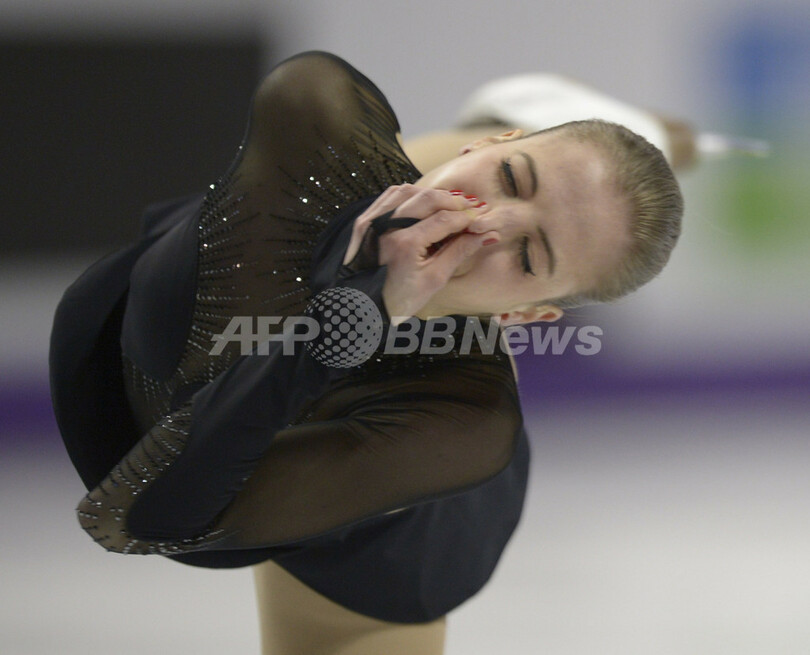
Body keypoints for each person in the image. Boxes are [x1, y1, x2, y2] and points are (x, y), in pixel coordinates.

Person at [50, 51, 683, 654]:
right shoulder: (317, 110)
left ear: (524, 317)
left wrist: (347, 324)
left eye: (526, 255)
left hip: (377, 523)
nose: (488, 222)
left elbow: (147, 517)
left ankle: (571, 169)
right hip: (190, 333)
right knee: (402, 187)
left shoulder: (463, 426)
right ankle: (540, 133)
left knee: (428, 256)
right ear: (488, 148)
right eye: (511, 177)